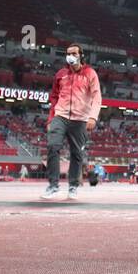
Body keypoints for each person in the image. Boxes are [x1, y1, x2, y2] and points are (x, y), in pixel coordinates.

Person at [41, 43, 101, 201]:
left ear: (81, 55)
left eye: (74, 53)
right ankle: (53, 186)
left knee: (77, 153)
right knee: (53, 146)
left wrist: (93, 116)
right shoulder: (61, 74)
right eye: (68, 53)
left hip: (80, 119)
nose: (70, 56)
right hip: (60, 116)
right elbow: (54, 97)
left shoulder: (90, 73)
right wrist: (50, 118)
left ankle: (73, 186)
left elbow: (97, 97)